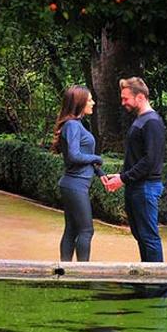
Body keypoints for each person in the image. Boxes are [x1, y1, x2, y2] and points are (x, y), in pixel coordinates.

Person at [102, 77, 166, 262]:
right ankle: (147, 279)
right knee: (141, 235)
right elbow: (138, 157)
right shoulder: (142, 120)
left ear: (140, 97)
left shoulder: (152, 122)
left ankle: (157, 285)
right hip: (136, 186)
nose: (123, 103)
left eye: (125, 98)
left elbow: (150, 161)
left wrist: (123, 178)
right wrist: (122, 176)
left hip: (146, 187)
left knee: (149, 237)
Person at [52, 84, 104, 261]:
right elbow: (74, 156)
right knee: (86, 230)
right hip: (75, 185)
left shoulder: (76, 125)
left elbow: (85, 156)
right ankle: (83, 272)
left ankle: (65, 270)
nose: (93, 103)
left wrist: (101, 173)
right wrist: (96, 158)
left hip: (74, 185)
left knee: (72, 229)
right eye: (89, 100)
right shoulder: (73, 125)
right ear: (79, 102)